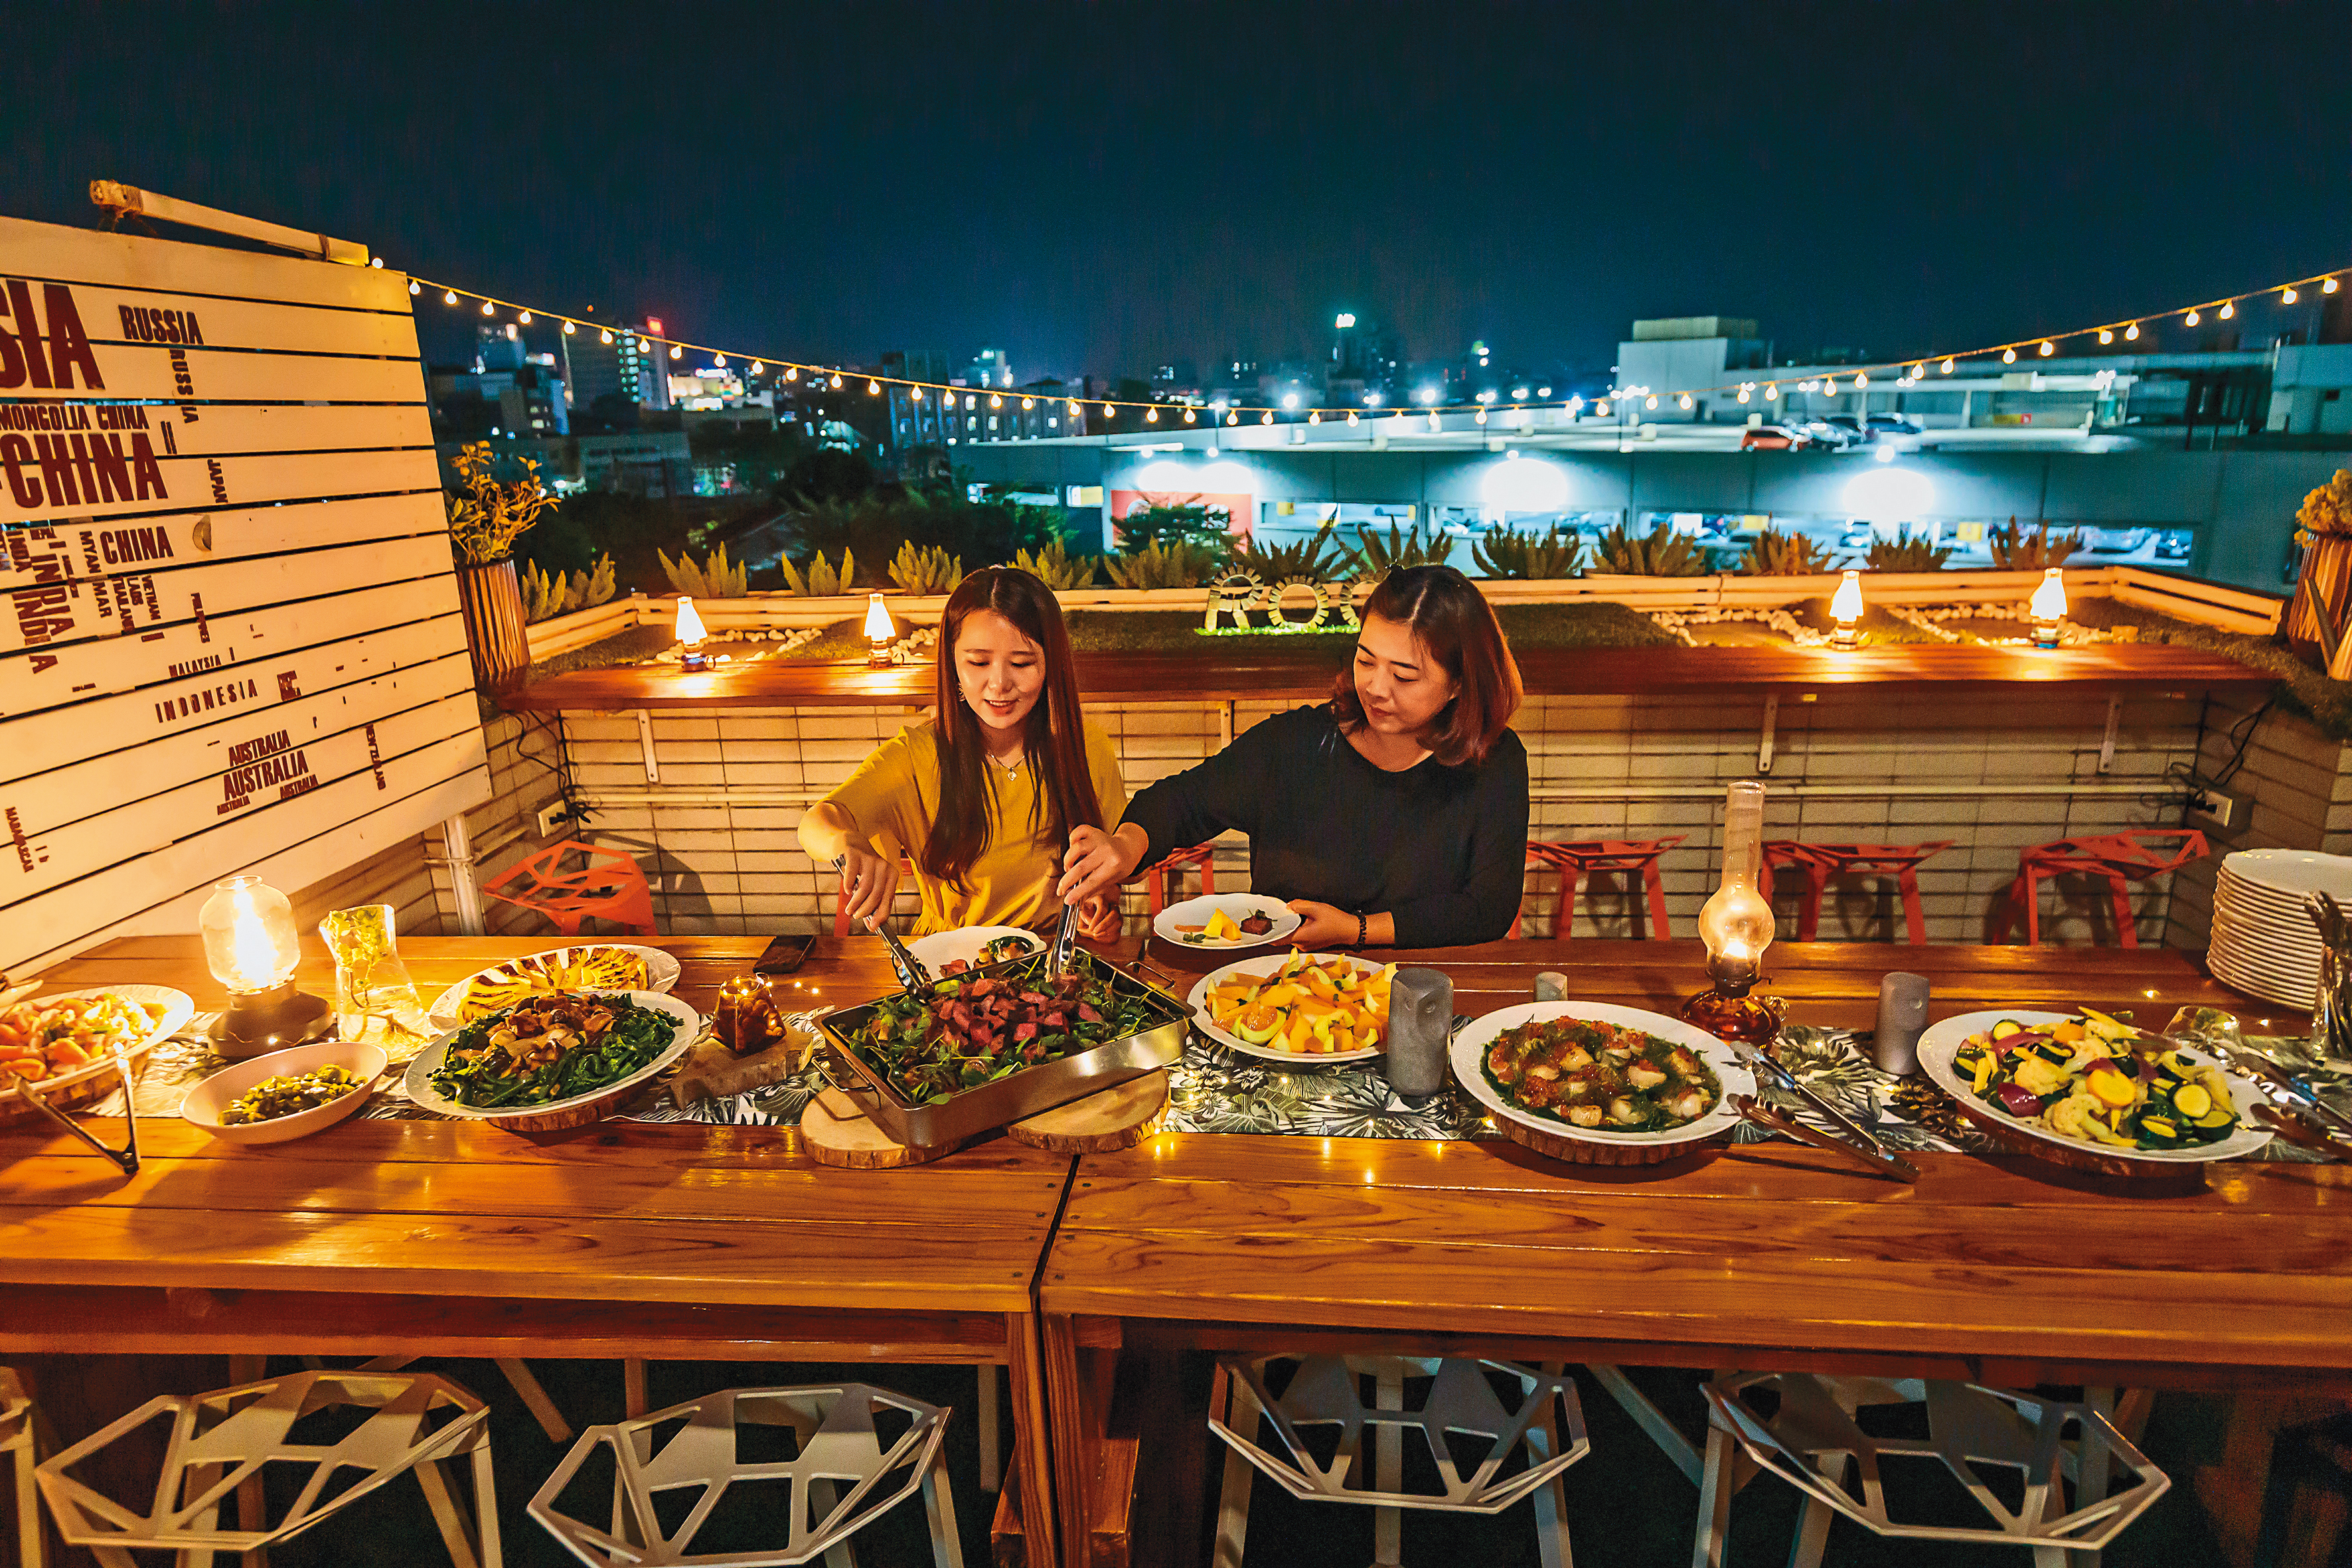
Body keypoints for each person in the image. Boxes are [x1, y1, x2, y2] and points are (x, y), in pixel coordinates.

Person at [1059, 563, 1528, 949]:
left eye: (1404, 675)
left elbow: (1486, 910)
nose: (1376, 688)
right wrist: (1125, 846)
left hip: (1427, 990)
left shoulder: (1493, 761)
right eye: (1365, 660)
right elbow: (1182, 802)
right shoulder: (1293, 745)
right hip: (1288, 990)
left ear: (1459, 683)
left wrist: (1356, 929)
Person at [800, 566, 1127, 940]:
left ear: (1051, 664)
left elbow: (1111, 874)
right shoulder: (918, 755)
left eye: (1021, 663)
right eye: (978, 662)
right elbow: (817, 821)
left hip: (1054, 960)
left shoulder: (1085, 747)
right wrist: (844, 841)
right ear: (952, 663)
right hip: (951, 965)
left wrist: (1099, 908)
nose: (999, 684)